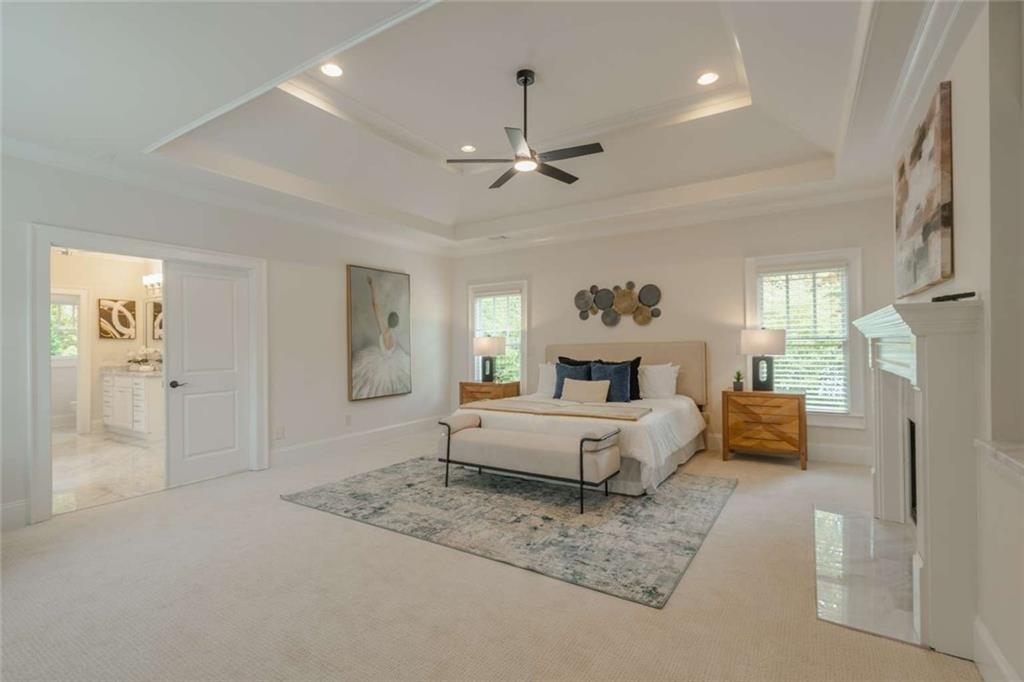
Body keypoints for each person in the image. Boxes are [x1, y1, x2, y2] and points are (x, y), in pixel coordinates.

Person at [351, 275, 411, 399]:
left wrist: (371, 286)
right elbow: (401, 348)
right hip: (391, 363)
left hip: (382, 363)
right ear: (397, 323)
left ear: (388, 320)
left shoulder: (384, 331)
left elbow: (375, 306)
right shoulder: (395, 336)